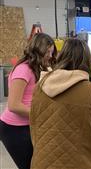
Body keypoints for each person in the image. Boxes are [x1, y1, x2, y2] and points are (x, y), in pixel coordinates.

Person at [29, 38, 91, 169]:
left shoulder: (40, 85)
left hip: (41, 162)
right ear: (87, 60)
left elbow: (34, 126)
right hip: (81, 163)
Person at [0, 33, 56, 169]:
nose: (50, 55)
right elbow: (14, 105)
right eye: (48, 52)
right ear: (38, 50)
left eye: (52, 52)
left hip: (28, 125)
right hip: (14, 129)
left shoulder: (35, 68)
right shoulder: (23, 69)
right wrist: (41, 114)